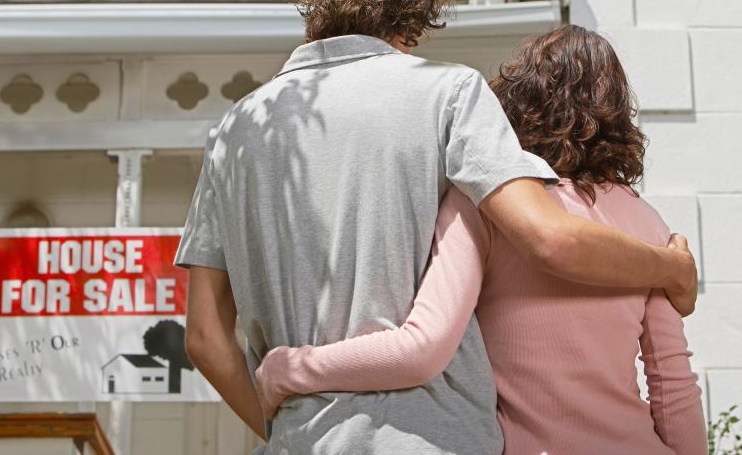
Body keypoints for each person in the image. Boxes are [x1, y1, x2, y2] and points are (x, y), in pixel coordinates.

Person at [175, 0, 698, 455]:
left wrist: (285, 425)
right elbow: (551, 237)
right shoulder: (450, 94)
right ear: (422, 4)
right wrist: (672, 267)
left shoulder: (237, 129)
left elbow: (206, 338)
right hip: (432, 437)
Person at [255, 25, 707, 455]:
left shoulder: (486, 206)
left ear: (520, 100)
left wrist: (290, 368)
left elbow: (421, 349)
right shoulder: (650, 226)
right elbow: (672, 384)